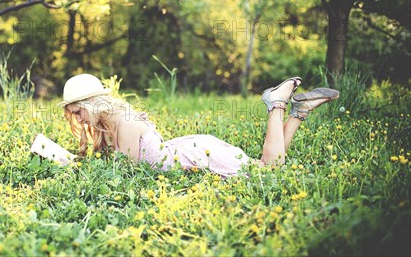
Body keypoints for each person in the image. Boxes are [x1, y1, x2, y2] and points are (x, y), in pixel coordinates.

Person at [60, 74, 339, 176]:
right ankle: (299, 111)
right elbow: (110, 161)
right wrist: (74, 161)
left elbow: (133, 172)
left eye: (78, 112)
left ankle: (276, 102)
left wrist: (81, 170)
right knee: (267, 165)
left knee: (268, 169)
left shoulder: (126, 121)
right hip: (188, 151)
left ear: (93, 104)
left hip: (197, 154)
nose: (79, 120)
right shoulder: (111, 122)